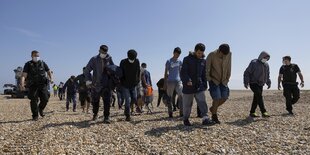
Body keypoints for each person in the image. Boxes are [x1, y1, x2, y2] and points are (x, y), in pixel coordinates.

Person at [180, 43, 215, 126]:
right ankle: (186, 119)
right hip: (188, 86)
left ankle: (205, 119)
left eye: (201, 53)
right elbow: (183, 72)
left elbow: (204, 74)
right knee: (187, 104)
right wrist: (187, 80)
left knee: (202, 102)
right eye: (198, 53)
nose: (200, 55)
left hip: (199, 86)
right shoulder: (187, 59)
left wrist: (205, 85)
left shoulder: (203, 61)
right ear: (195, 51)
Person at [84, 45, 114, 124]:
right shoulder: (94, 59)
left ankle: (106, 117)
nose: (103, 54)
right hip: (95, 85)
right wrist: (88, 80)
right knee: (95, 101)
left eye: (104, 52)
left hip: (106, 85)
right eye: (101, 52)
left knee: (107, 101)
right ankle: (95, 114)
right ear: (99, 51)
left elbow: (113, 69)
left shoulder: (109, 58)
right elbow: (87, 70)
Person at [20, 50, 53, 121]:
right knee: (34, 100)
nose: (37, 57)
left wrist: (51, 78)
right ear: (32, 56)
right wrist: (22, 84)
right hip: (33, 85)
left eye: (38, 56)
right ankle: (35, 115)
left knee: (45, 98)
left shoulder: (43, 63)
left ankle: (40, 109)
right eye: (35, 56)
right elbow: (24, 75)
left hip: (42, 85)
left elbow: (48, 71)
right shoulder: (28, 64)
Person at [206, 44, 232, 124]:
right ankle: (214, 116)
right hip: (214, 80)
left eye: (225, 55)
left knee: (224, 97)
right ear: (219, 50)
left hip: (224, 80)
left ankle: (213, 108)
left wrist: (227, 78)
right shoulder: (211, 55)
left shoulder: (229, 54)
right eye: (222, 54)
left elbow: (229, 66)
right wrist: (209, 79)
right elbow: (207, 69)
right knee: (216, 98)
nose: (224, 56)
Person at [244, 51, 271, 118]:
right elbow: (247, 72)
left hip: (261, 84)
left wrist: (268, 82)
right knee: (259, 95)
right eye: (265, 58)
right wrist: (246, 82)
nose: (266, 59)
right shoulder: (254, 63)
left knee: (256, 98)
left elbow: (267, 75)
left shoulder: (266, 65)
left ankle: (252, 112)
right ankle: (263, 111)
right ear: (261, 56)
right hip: (253, 83)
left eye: (267, 59)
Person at [120, 49, 141, 121]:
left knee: (134, 98)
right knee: (128, 100)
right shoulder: (123, 62)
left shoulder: (137, 61)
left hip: (133, 84)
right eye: (131, 59)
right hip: (125, 85)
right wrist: (121, 82)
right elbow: (120, 73)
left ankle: (127, 108)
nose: (132, 60)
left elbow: (138, 71)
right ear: (128, 56)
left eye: (134, 59)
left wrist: (138, 80)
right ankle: (127, 115)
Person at [164, 47, 183, 118]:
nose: (177, 55)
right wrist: (164, 83)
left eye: (179, 54)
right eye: (176, 53)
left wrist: (183, 80)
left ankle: (182, 112)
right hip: (170, 81)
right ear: (173, 52)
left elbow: (181, 71)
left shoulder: (180, 62)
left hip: (178, 81)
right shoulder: (169, 61)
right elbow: (166, 73)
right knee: (170, 97)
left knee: (181, 95)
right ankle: (170, 112)